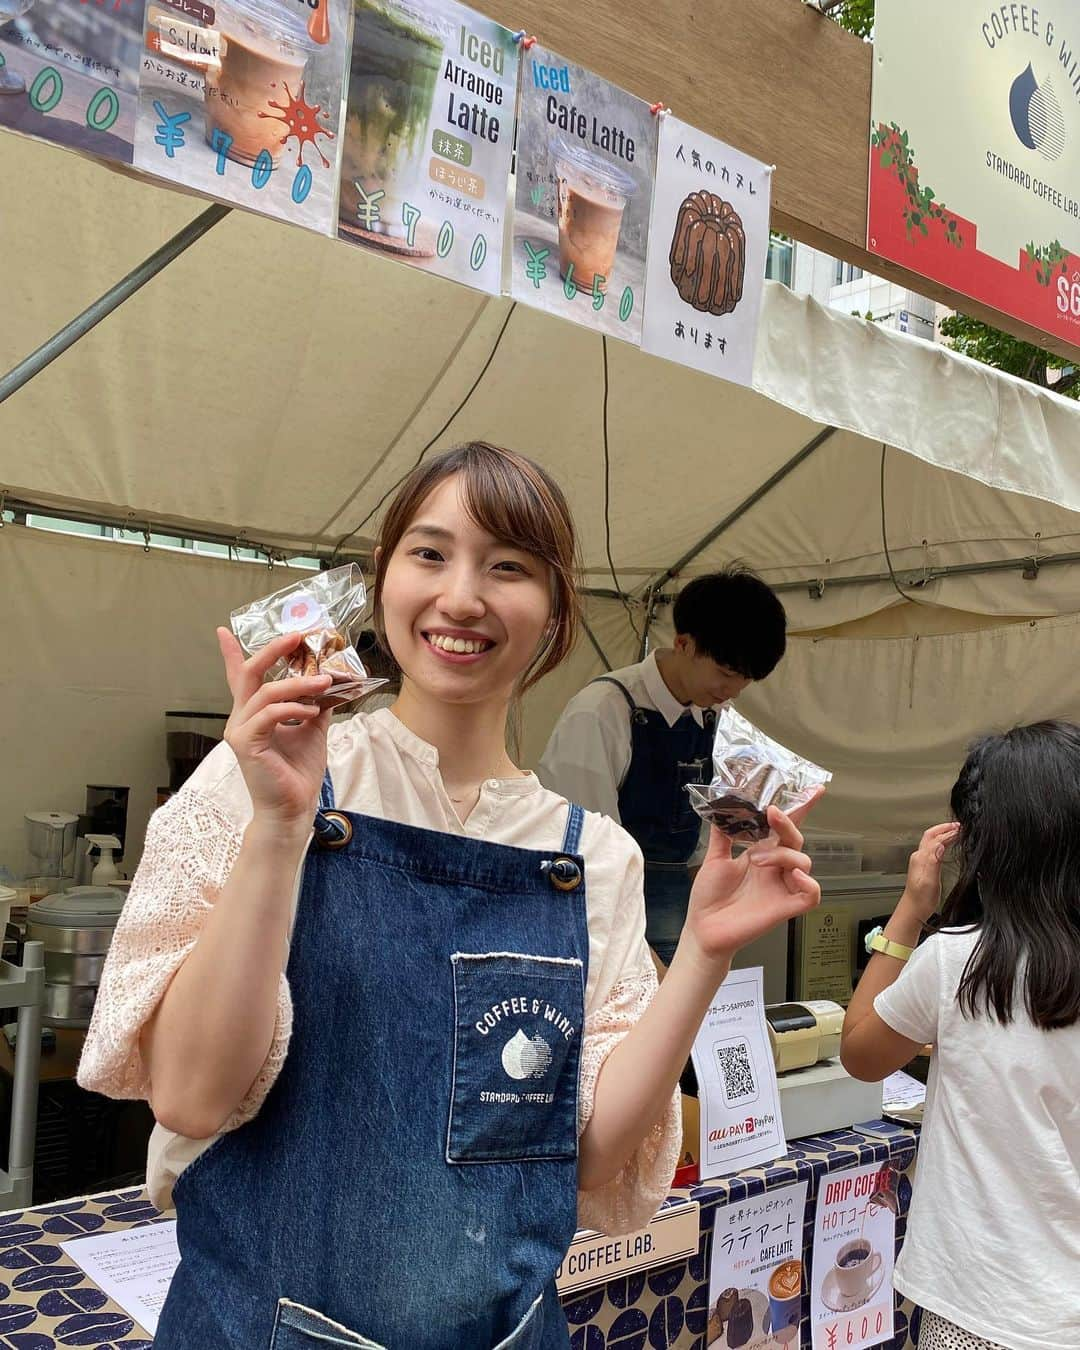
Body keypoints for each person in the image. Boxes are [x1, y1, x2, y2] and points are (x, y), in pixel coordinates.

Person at [79, 442, 820, 1350]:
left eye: (507, 567)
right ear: (382, 583)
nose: (462, 597)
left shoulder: (595, 856)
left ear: (553, 615)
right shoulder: (263, 778)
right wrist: (279, 825)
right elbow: (191, 1099)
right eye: (429, 554)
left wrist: (703, 953)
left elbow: (587, 1153)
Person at [841, 722, 1080, 1350]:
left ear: (989, 843)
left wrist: (911, 908)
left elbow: (861, 1052)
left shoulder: (958, 960)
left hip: (981, 1303)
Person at [539, 567, 787, 970]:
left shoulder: (715, 718)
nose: (731, 691)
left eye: (744, 680)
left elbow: (709, 843)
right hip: (598, 908)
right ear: (684, 644)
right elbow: (586, 851)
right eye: (725, 674)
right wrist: (644, 958)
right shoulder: (603, 711)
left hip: (680, 901)